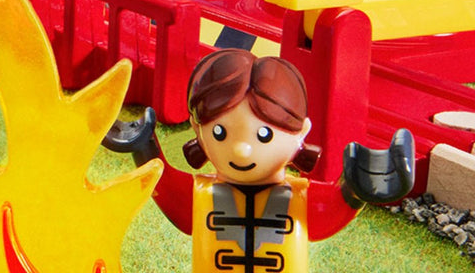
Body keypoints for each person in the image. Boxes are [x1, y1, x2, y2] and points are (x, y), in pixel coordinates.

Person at [104, 48, 414, 272]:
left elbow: (331, 209)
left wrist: (356, 188)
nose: (242, 150)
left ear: (301, 132)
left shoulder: (300, 200)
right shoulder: (201, 197)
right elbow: (168, 190)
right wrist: (144, 148)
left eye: (263, 135)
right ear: (198, 130)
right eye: (220, 132)